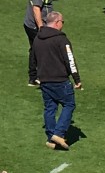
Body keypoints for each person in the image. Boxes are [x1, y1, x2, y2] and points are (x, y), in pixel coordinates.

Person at [31, 11, 81, 150]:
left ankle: (51, 138)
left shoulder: (37, 38)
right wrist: (77, 79)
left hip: (44, 80)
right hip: (60, 80)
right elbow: (70, 60)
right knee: (69, 104)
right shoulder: (61, 39)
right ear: (57, 22)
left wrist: (32, 76)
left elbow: (32, 57)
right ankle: (58, 134)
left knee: (50, 108)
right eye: (62, 22)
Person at [23, 0, 53, 86]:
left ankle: (34, 77)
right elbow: (36, 9)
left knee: (35, 50)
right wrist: (41, 28)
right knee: (42, 51)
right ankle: (38, 76)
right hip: (35, 27)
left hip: (30, 24)